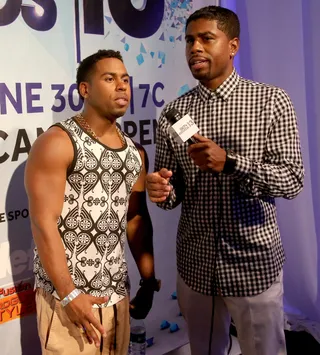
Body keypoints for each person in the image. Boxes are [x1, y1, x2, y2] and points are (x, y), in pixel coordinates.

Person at [146, 6, 304, 355]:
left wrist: (231, 163)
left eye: (206, 38)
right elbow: (174, 192)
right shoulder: (174, 112)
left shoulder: (271, 101)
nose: (195, 48)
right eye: (189, 40)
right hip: (196, 263)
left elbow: (292, 180)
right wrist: (162, 190)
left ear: (232, 46)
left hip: (252, 262)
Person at [25, 49, 159, 355]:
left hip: (117, 296)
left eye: (125, 79)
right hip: (67, 302)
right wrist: (70, 294)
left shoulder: (134, 153)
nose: (122, 86)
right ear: (85, 89)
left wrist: (148, 281)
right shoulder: (57, 142)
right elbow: (42, 222)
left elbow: (136, 218)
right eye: (110, 79)